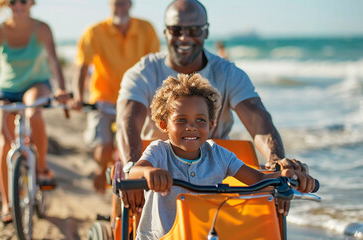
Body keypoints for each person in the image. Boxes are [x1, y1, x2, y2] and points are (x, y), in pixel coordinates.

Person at [116, 0, 308, 214]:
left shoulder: (229, 74)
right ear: (165, 32)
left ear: (206, 31)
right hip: (155, 169)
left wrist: (277, 164)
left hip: (214, 171)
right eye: (176, 29)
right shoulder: (142, 72)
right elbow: (128, 120)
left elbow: (257, 119)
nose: (184, 37)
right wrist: (132, 170)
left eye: (194, 30)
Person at [128, 73, 316, 239]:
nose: (191, 126)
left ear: (211, 125)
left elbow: (258, 180)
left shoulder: (217, 153)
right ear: (163, 125)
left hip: (204, 234)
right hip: (160, 237)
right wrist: (148, 173)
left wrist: (286, 177)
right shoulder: (159, 151)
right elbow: (135, 171)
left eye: (200, 120)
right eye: (181, 120)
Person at [0, 0, 69, 224]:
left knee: (34, 113)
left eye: (23, 0)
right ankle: (6, 202)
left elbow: (53, 61)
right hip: (6, 89)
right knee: (4, 140)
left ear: (31, 3)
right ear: (6, 4)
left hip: (37, 84)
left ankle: (41, 168)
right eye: (13, 1)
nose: (18, 5)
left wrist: (61, 88)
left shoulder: (42, 28)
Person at [70, 0, 160, 194]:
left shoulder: (146, 28)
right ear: (109, 5)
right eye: (116, 3)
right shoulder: (95, 32)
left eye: (123, 2)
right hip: (104, 99)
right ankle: (100, 169)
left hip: (138, 100)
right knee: (104, 148)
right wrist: (78, 95)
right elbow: (82, 66)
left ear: (130, 4)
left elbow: (155, 66)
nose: (120, 7)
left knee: (140, 148)